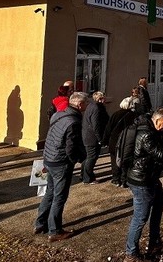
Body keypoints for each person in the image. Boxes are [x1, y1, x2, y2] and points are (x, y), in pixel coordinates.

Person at [119, 108, 163, 262]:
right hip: (141, 180)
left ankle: (155, 242)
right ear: (156, 121)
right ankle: (131, 254)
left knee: (159, 203)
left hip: (150, 177)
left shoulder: (150, 130)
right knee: (140, 217)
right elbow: (161, 155)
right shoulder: (146, 135)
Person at [34, 92, 89, 241]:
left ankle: (40, 223)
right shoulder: (74, 121)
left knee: (50, 192)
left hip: (49, 158)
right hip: (60, 162)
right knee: (59, 196)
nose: (87, 105)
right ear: (79, 105)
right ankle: (55, 230)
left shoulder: (58, 114)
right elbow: (71, 147)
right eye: (85, 103)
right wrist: (76, 159)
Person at [104, 88, 143, 187]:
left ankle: (116, 179)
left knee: (114, 161)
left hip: (114, 141)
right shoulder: (133, 116)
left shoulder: (115, 114)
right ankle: (124, 179)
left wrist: (105, 140)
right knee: (126, 161)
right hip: (126, 142)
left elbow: (108, 128)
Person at [80, 91, 110, 184]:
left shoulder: (91, 106)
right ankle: (88, 178)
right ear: (99, 99)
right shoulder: (96, 108)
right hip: (92, 137)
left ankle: (84, 175)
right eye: (102, 98)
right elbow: (96, 125)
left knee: (88, 157)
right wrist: (100, 139)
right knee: (92, 157)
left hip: (87, 135)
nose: (104, 100)